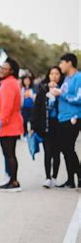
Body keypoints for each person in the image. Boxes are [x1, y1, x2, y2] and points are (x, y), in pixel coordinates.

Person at [51, 53, 81, 188]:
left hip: (73, 118)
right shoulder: (66, 79)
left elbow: (79, 98)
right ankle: (70, 180)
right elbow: (62, 95)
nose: (60, 65)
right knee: (64, 148)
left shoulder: (78, 78)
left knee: (69, 148)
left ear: (69, 63)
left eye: (62, 62)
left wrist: (61, 94)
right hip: (62, 118)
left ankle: (79, 177)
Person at [31, 66, 63, 188]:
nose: (54, 76)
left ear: (60, 76)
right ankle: (47, 178)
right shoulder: (43, 89)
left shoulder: (63, 89)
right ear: (48, 76)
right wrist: (33, 125)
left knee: (56, 153)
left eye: (57, 74)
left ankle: (54, 177)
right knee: (48, 152)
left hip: (60, 127)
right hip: (46, 127)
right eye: (52, 74)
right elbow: (36, 108)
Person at [0, 57, 24, 191]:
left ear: (11, 71)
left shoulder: (9, 84)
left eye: (4, 68)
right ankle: (11, 179)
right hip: (10, 124)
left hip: (8, 125)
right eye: (1, 68)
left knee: (9, 154)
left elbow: (6, 107)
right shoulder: (10, 82)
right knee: (9, 154)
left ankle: (14, 182)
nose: (1, 70)